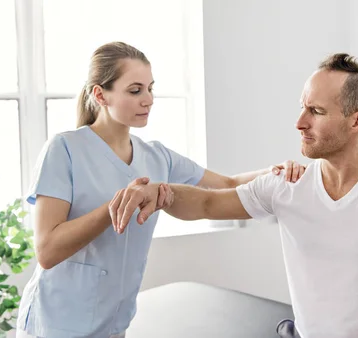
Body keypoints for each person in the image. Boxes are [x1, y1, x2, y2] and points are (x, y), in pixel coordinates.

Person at [112, 53, 358, 338]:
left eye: (317, 112)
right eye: (302, 106)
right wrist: (160, 193)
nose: (299, 122)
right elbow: (207, 202)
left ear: (357, 122)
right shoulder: (287, 186)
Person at [16, 41, 306, 338]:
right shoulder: (64, 149)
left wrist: (278, 172)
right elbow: (47, 251)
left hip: (113, 324)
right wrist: (118, 205)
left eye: (150, 88)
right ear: (100, 95)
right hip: (55, 324)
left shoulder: (156, 157)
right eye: (135, 90)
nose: (148, 99)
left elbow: (228, 184)